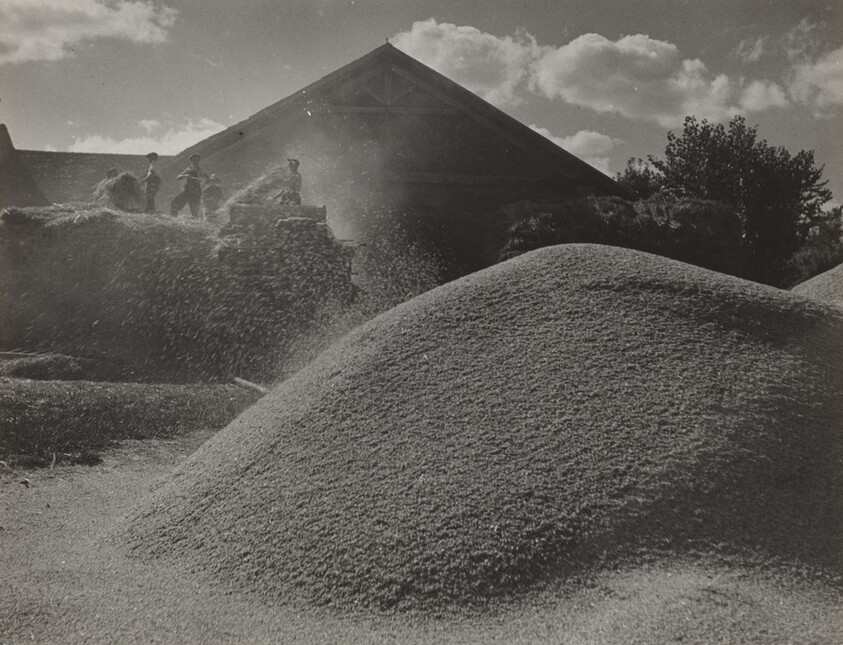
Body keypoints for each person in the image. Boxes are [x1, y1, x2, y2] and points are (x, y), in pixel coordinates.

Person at [170, 153, 209, 218]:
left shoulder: (201, 169)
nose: (195, 161)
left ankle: (195, 224)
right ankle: (172, 220)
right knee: (174, 203)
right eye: (194, 160)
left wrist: (206, 180)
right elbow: (178, 177)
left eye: (197, 160)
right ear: (191, 161)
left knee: (194, 211)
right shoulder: (188, 169)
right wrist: (185, 175)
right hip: (187, 190)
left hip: (196, 192)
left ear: (199, 161)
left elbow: (207, 179)